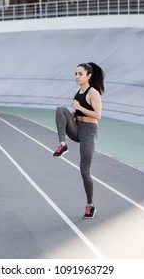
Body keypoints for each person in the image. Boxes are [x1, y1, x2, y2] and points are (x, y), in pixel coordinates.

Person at [53, 62, 105, 219]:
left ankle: (90, 205)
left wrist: (79, 108)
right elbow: (78, 112)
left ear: (88, 76)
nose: (76, 76)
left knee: (84, 171)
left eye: (80, 74)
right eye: (75, 73)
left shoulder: (93, 92)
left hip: (89, 132)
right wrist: (73, 114)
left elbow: (97, 115)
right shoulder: (78, 92)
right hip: (77, 128)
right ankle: (62, 145)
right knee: (61, 109)